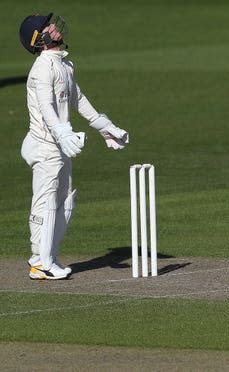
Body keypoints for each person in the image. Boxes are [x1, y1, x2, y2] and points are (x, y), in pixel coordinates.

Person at [19, 12, 129, 280]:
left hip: (60, 145)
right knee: (45, 201)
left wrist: (105, 127)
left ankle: (48, 259)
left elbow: (77, 98)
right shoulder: (42, 68)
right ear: (40, 38)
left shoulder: (64, 64)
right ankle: (39, 262)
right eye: (48, 26)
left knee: (66, 199)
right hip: (46, 145)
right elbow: (46, 106)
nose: (55, 26)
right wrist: (62, 132)